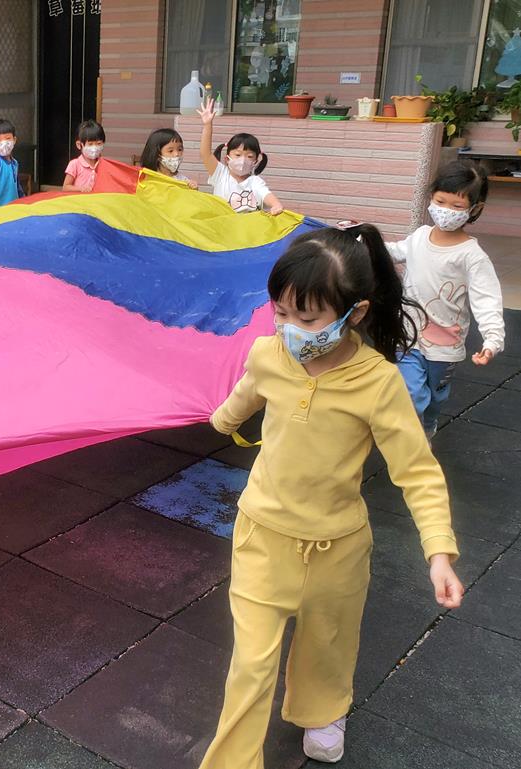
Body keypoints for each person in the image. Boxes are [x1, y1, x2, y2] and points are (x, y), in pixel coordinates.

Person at [200, 224, 463, 768]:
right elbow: (247, 393)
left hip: (337, 548)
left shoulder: (378, 383)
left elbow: (417, 470)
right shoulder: (269, 353)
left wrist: (439, 550)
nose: (290, 329)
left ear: (355, 313)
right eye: (281, 313)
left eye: (308, 318)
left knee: (328, 643)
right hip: (263, 536)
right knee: (250, 664)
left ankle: (321, 710)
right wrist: (222, 419)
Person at [386, 161, 504, 440]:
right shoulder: (419, 236)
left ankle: (429, 422)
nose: (446, 210)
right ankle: (413, 436)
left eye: (456, 206)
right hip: (409, 334)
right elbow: (394, 251)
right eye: (440, 202)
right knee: (411, 391)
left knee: (435, 395)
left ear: (474, 209)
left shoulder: (471, 256)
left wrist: (493, 340)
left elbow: (487, 300)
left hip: (445, 344)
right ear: (431, 197)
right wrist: (364, 240)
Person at [196, 98, 283, 215]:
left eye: (249, 156)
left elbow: (266, 195)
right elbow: (205, 154)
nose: (243, 160)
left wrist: (276, 205)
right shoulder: (220, 174)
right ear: (227, 159)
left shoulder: (255, 182)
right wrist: (207, 125)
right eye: (237, 155)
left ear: (255, 161)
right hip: (222, 224)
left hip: (247, 226)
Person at [62, 120, 106, 192]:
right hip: (79, 199)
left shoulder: (103, 164)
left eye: (99, 143)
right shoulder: (74, 164)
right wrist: (81, 189)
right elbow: (65, 187)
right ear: (79, 145)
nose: (94, 147)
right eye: (90, 144)